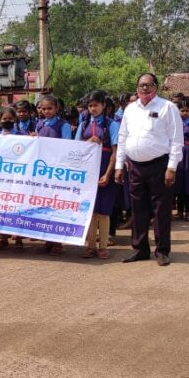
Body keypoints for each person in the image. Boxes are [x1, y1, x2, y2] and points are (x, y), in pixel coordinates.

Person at [114, 74, 183, 266]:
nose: (144, 88)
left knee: (161, 209)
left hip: (159, 165)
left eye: (148, 85)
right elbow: (122, 137)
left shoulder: (167, 107)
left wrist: (172, 167)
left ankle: (162, 251)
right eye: (141, 85)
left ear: (156, 87)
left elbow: (177, 139)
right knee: (138, 209)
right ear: (137, 88)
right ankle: (140, 249)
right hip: (134, 166)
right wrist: (119, 165)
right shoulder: (130, 109)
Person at [75, 90, 119, 259]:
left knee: (104, 211)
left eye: (96, 105)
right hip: (88, 172)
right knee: (90, 210)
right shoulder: (83, 124)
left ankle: (103, 247)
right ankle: (91, 246)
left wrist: (108, 174)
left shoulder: (112, 125)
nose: (93, 109)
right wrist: (88, 142)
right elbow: (76, 148)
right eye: (90, 105)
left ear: (104, 105)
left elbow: (115, 152)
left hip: (105, 169)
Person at [36, 95, 72, 255]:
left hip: (57, 171)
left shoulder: (64, 125)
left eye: (50, 108)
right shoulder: (39, 124)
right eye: (44, 109)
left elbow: (67, 147)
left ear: (57, 108)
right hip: (42, 171)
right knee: (44, 206)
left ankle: (58, 242)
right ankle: (48, 240)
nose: (46, 111)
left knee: (56, 206)